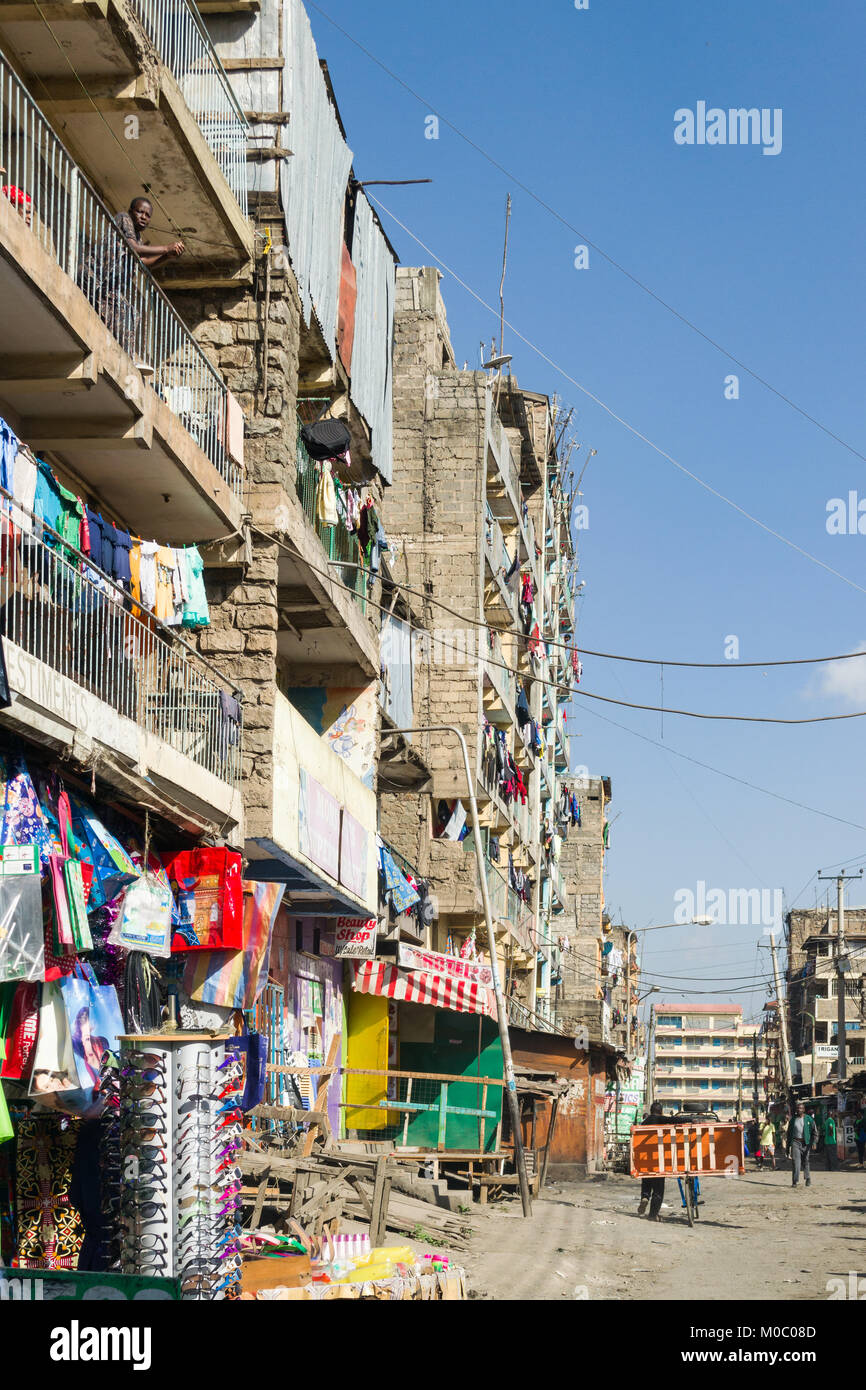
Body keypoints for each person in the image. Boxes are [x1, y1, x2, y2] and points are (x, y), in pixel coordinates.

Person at [115, 196, 185, 270]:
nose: (143, 217)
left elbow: (142, 262)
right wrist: (167, 248)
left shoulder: (137, 237)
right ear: (130, 212)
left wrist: (167, 256)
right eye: (140, 212)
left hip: (119, 280)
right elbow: (134, 249)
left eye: (147, 215)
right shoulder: (124, 217)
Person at [636, 1101, 666, 1220]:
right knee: (658, 1189)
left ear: (651, 1111)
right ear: (660, 1111)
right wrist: (690, 1121)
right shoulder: (661, 1120)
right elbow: (676, 1120)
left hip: (645, 1159)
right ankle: (653, 1215)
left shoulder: (645, 1122)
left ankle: (645, 1197)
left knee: (647, 1181)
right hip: (659, 1159)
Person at [786, 1102, 818, 1188]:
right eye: (797, 1108)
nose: (798, 1110)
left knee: (806, 1161)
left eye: (800, 1108)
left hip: (806, 1143)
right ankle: (795, 1181)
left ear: (804, 1110)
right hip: (795, 1142)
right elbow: (789, 1134)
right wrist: (787, 1147)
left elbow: (815, 1132)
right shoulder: (793, 1120)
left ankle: (808, 1178)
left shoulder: (809, 1119)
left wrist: (814, 1142)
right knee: (796, 1162)